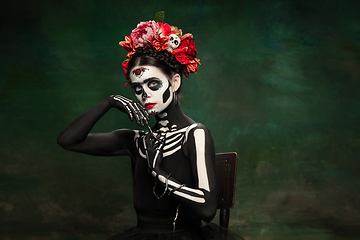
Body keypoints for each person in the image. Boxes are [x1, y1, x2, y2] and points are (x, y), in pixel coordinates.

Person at [57, 20, 244, 240]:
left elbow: (207, 209)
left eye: (153, 84)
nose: (144, 94)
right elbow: (68, 141)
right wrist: (109, 103)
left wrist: (159, 174)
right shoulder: (134, 140)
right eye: (137, 87)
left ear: (174, 83)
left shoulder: (195, 134)